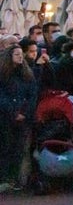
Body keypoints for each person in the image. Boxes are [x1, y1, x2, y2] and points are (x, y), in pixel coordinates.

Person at [0, 44, 39, 192]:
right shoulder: (3, 75)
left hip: (24, 117)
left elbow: (32, 95)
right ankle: (4, 179)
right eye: (16, 55)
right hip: (6, 117)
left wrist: (25, 112)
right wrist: (13, 111)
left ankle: (16, 179)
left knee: (20, 149)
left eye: (21, 54)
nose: (20, 57)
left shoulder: (27, 75)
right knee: (6, 147)